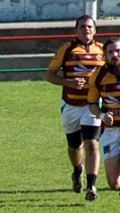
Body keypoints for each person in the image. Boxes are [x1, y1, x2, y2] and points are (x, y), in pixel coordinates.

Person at [45, 15, 105, 200]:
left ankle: (92, 186)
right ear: (76, 30)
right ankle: (77, 169)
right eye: (81, 27)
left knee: (91, 143)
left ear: (94, 30)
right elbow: (49, 75)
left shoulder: (104, 51)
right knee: (74, 146)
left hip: (92, 105)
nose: (85, 30)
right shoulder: (67, 49)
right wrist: (68, 82)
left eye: (89, 27)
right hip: (70, 105)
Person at [88, 39, 120, 192]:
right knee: (114, 183)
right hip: (110, 132)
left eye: (118, 51)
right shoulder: (98, 76)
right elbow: (92, 105)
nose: (115, 55)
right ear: (104, 54)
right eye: (110, 52)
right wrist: (102, 116)